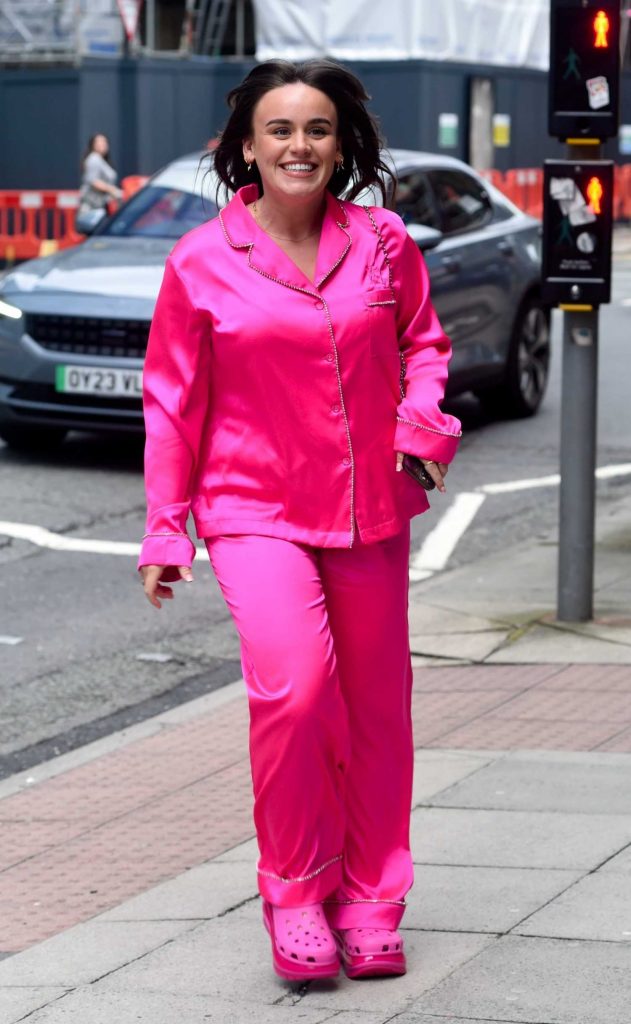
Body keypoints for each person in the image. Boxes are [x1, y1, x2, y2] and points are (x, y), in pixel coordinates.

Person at [138, 59, 462, 983]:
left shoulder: (385, 242)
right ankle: (293, 893)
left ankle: (369, 898)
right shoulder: (200, 261)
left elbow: (423, 347)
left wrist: (422, 426)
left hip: (368, 509)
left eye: (316, 129)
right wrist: (167, 529)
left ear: (339, 144)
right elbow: (170, 403)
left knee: (374, 713)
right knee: (296, 691)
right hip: (250, 509)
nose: (299, 145)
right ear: (246, 147)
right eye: (279, 130)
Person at [78, 133, 122, 217]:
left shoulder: (101, 160)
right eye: (99, 142)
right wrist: (112, 190)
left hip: (101, 207)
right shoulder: (94, 159)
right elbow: (93, 181)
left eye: (104, 142)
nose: (103, 144)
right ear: (93, 145)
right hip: (92, 207)